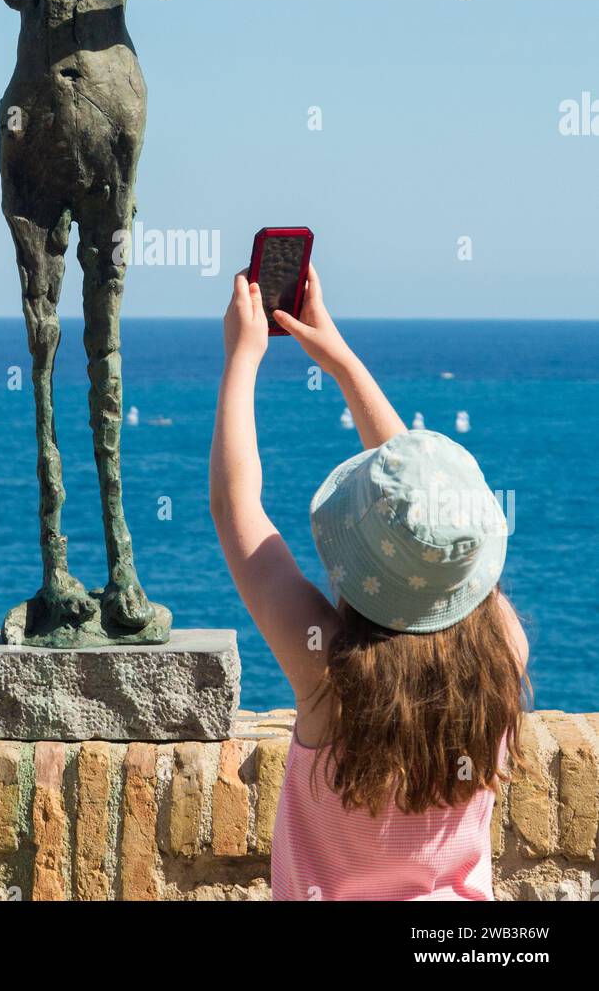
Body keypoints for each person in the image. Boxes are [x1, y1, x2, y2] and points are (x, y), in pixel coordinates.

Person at [209, 266, 529, 901]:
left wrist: (241, 360)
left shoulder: (328, 675)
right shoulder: (503, 650)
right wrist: (340, 356)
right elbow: (433, 524)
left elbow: (235, 509)